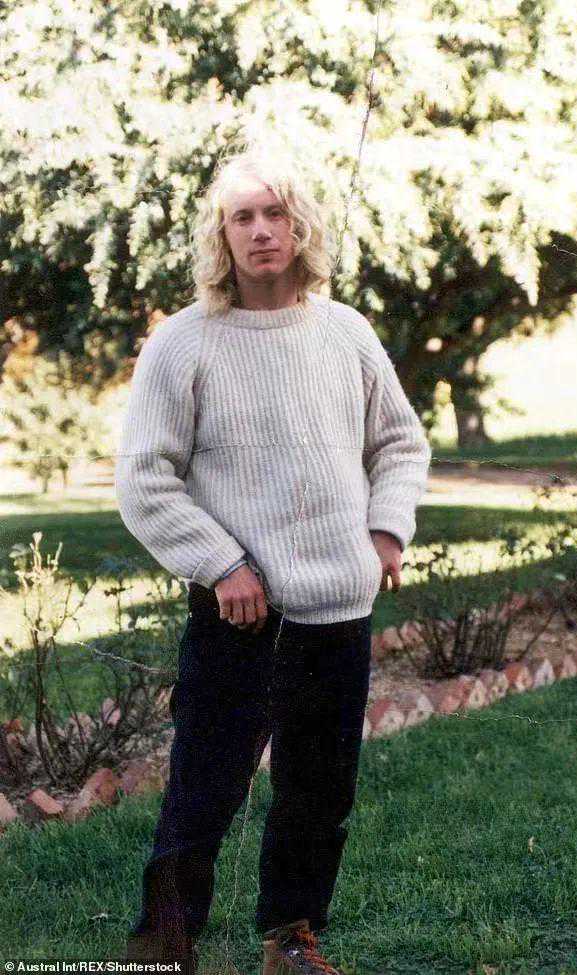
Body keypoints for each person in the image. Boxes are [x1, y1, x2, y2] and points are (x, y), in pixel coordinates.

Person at [114, 142, 432, 974]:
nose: (261, 230)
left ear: (300, 227)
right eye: (243, 217)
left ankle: (290, 937)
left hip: (337, 609)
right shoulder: (183, 342)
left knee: (318, 793)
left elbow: (400, 442)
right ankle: (162, 941)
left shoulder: (346, 332)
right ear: (221, 234)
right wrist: (221, 564)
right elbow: (144, 479)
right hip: (239, 611)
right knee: (204, 785)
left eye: (276, 213)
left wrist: (387, 530)